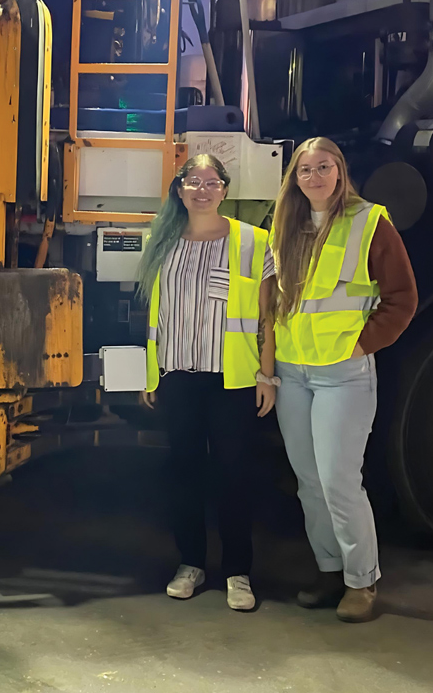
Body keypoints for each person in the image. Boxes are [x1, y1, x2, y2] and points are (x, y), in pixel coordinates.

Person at [269, 136, 417, 623]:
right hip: (293, 373)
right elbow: (275, 301)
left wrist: (360, 344)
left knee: (338, 481)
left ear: (341, 172)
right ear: (295, 178)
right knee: (309, 482)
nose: (315, 178)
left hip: (342, 374)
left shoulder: (369, 222)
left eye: (324, 167)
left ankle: (362, 580)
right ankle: (329, 570)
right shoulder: (285, 225)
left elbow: (401, 298)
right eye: (306, 170)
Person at [137, 154, 277, 612]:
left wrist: (267, 374)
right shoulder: (162, 244)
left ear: (224, 189)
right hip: (177, 375)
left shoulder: (253, 242)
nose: (202, 189)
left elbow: (267, 316)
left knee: (234, 474)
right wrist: (150, 373)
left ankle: (238, 571)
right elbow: (155, 316)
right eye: (193, 182)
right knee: (184, 471)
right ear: (179, 190)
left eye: (211, 182)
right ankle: (190, 563)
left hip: (232, 379)